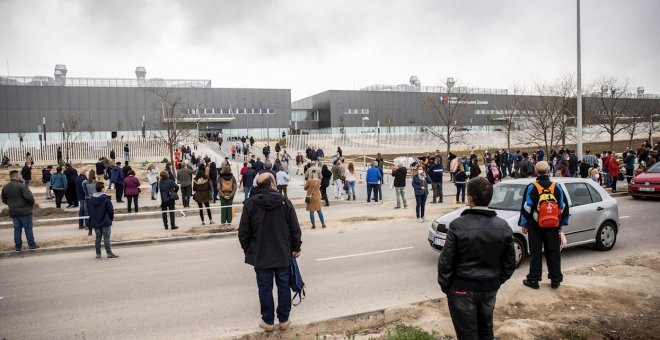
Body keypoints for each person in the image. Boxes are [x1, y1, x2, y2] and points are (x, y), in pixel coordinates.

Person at [437, 177, 516, 339]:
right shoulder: (502, 226)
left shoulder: (458, 225)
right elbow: (510, 262)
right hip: (488, 287)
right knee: (486, 328)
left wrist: (447, 286)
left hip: (462, 288)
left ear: (470, 198)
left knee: (468, 333)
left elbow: (446, 261)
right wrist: (497, 280)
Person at [238, 173, 302, 332]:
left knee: (264, 288)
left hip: (261, 255)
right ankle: (284, 320)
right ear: (272, 184)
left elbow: (243, 233)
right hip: (282, 252)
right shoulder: (284, 202)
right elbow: (294, 228)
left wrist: (250, 250)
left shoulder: (250, 204)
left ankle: (268, 321)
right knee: (283, 287)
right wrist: (296, 247)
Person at [519, 161, 569, 290]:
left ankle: (534, 279)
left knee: (535, 253)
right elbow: (563, 207)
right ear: (548, 171)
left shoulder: (532, 187)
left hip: (535, 226)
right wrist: (561, 224)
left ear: (536, 172)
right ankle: (555, 280)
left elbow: (526, 207)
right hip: (553, 225)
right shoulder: (556, 186)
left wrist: (524, 224)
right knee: (553, 252)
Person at [2, 170, 39, 252]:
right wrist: (30, 204)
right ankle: (32, 245)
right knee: (28, 229)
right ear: (16, 176)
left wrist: (11, 205)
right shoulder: (22, 186)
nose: (20, 176)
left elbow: (4, 200)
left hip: (14, 212)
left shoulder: (6, 187)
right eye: (19, 175)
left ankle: (18, 247)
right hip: (25, 211)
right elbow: (29, 198)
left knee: (17, 229)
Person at [87, 182, 118, 260]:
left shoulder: (91, 199)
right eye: (104, 187)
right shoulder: (106, 199)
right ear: (102, 188)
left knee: (98, 238)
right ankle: (109, 253)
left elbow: (89, 210)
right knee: (106, 238)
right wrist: (110, 219)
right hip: (105, 221)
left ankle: (98, 254)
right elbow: (111, 210)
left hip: (95, 221)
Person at [82, 170, 97, 236]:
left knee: (89, 213)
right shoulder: (95, 182)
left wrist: (87, 194)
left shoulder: (85, 182)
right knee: (95, 213)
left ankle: (89, 228)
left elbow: (84, 190)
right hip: (94, 198)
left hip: (88, 198)